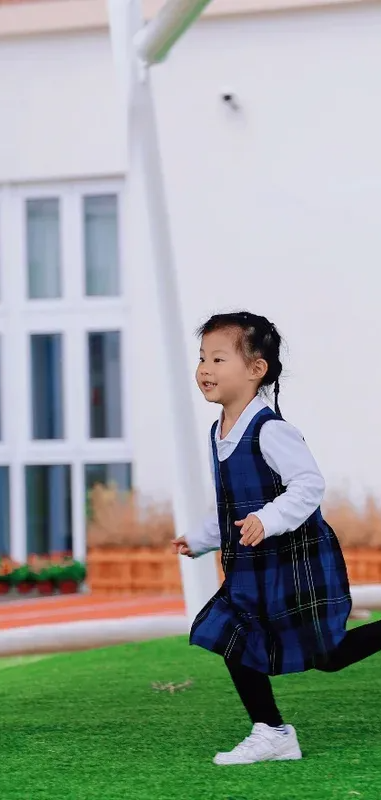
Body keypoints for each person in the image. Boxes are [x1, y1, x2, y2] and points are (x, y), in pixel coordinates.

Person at [173, 311, 381, 766]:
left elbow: (308, 485)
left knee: (327, 655)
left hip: (292, 560)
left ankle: (272, 732)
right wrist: (201, 538)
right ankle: (271, 731)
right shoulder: (219, 431)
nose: (204, 369)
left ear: (256, 369)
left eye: (218, 358)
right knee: (231, 633)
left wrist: (268, 519)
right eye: (202, 358)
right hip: (252, 564)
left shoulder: (271, 430)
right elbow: (229, 503)